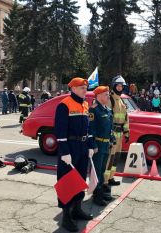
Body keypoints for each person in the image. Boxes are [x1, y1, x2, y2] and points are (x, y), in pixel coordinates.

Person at [54, 77, 94, 232]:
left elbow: (88, 128)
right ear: (73, 89)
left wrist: (90, 145)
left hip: (83, 147)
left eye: (86, 87)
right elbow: (60, 129)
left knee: (80, 179)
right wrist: (64, 151)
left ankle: (77, 209)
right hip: (70, 147)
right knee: (66, 182)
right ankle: (66, 216)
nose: (85, 90)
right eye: (82, 87)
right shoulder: (64, 105)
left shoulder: (85, 104)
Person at [89, 86, 114, 206]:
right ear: (98, 96)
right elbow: (91, 129)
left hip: (106, 144)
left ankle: (101, 192)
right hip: (98, 144)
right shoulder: (94, 110)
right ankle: (96, 195)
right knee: (97, 171)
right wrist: (93, 144)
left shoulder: (108, 110)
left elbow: (110, 127)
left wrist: (112, 139)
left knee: (103, 170)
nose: (108, 96)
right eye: (105, 94)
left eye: (108, 94)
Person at [106, 75, 130, 188]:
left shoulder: (120, 100)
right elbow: (107, 118)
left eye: (121, 86)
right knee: (110, 158)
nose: (120, 88)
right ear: (114, 86)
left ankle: (111, 177)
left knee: (116, 157)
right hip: (112, 134)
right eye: (118, 86)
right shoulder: (110, 99)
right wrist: (109, 133)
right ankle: (104, 181)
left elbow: (125, 117)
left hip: (120, 134)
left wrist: (126, 132)